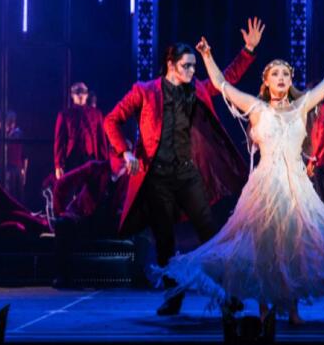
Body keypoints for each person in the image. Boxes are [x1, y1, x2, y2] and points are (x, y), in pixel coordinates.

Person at [159, 36, 324, 324]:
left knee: (294, 248)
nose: (281, 78)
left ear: (291, 79)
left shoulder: (302, 106)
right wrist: (207, 55)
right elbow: (222, 85)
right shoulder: (256, 107)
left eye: (285, 74)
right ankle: (264, 308)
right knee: (265, 249)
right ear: (266, 81)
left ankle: (293, 310)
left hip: (297, 189)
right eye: (275, 74)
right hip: (266, 187)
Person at [104, 18, 264, 316]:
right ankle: (173, 296)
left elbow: (225, 79)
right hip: (157, 178)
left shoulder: (199, 89)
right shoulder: (144, 91)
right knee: (164, 240)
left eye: (193, 66)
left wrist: (248, 50)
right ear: (171, 63)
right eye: (187, 66)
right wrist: (125, 152)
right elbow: (110, 120)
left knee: (210, 233)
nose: (192, 71)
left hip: (189, 174)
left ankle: (228, 294)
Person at [51, 153, 129, 288]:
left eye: (126, 156)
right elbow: (63, 183)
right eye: (119, 156)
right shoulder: (95, 168)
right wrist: (60, 213)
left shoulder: (130, 178)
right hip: (84, 219)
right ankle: (62, 277)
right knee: (63, 224)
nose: (123, 160)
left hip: (108, 223)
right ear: (111, 155)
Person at [54, 82, 108, 179]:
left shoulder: (96, 114)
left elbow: (101, 139)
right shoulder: (64, 115)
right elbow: (59, 141)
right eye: (77, 92)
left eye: (83, 92)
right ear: (72, 95)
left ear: (87, 95)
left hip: (91, 157)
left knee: (91, 190)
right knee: (73, 190)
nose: (80, 95)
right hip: (72, 158)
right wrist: (58, 165)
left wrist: (104, 162)